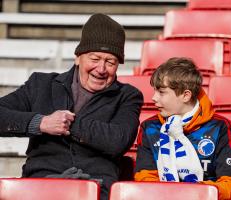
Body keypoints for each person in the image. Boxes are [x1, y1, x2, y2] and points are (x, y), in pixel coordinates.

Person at [0, 13, 143, 200]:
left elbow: (119, 140)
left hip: (96, 188)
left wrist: (69, 124)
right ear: (78, 58)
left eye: (110, 62)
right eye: (95, 58)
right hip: (40, 186)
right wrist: (41, 122)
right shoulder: (41, 84)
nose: (101, 69)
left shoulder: (128, 96)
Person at [134, 57, 231, 200]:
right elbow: (144, 178)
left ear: (185, 95)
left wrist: (193, 193)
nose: (154, 98)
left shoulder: (220, 127)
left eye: (161, 92)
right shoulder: (150, 128)